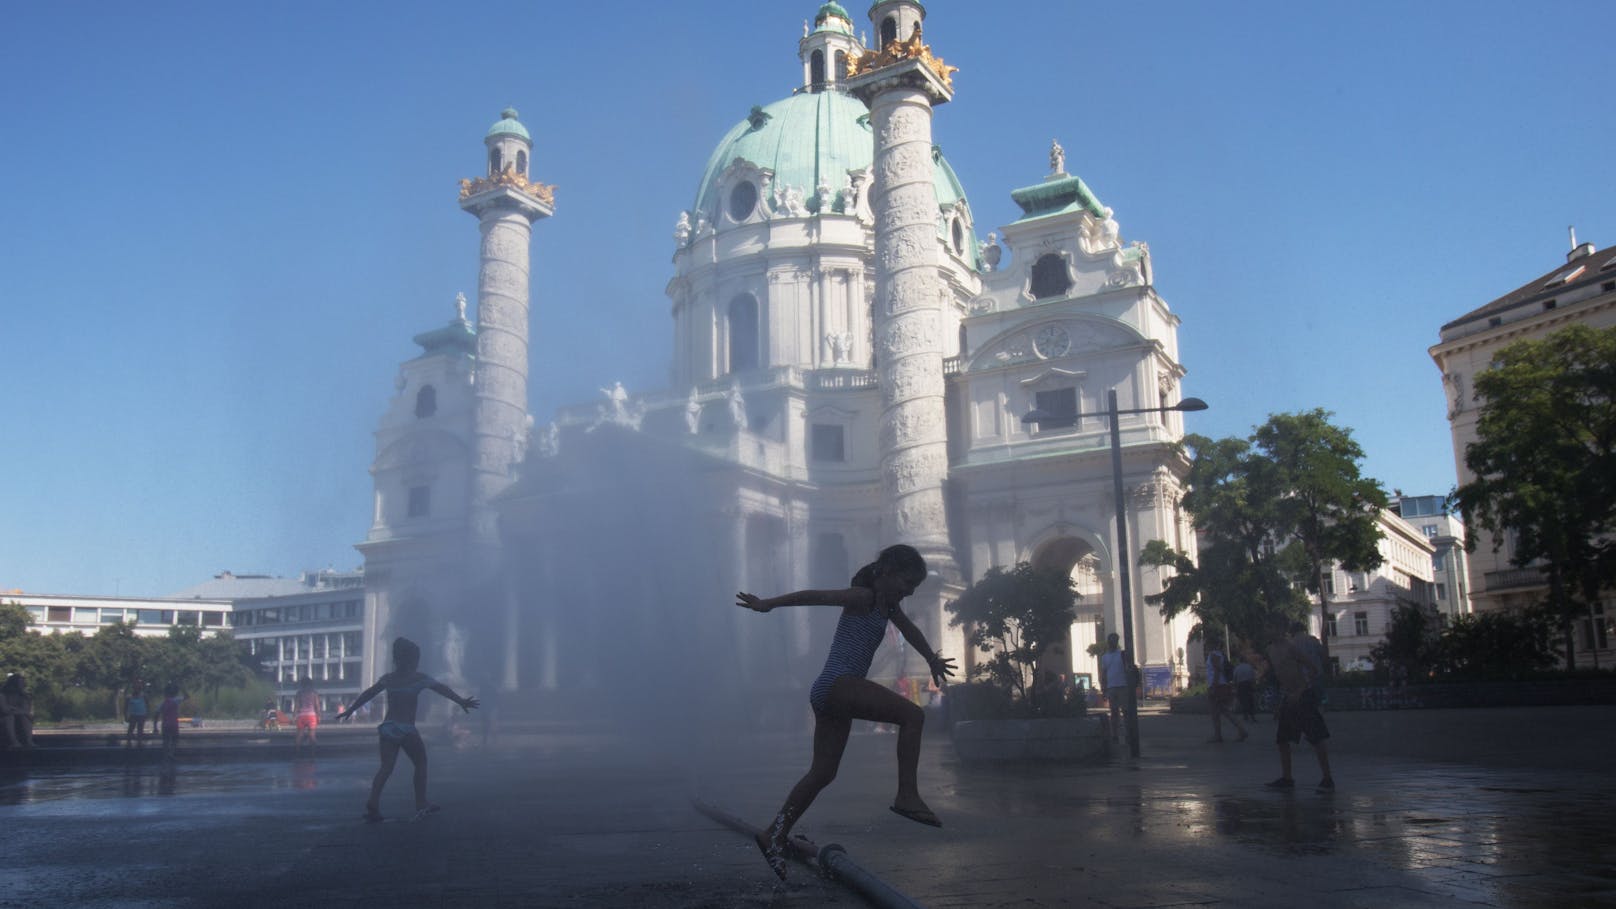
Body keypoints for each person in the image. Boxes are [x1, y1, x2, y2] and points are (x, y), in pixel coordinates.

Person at [736, 544, 956, 880]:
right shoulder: (862, 597)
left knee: (823, 774)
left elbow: (910, 630)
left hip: (829, 693)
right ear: (885, 572)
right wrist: (769, 603)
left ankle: (774, 834)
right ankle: (907, 795)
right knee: (914, 716)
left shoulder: (888, 606)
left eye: (913, 587)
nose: (909, 591)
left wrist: (930, 658)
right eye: (906, 582)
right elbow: (814, 596)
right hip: (840, 684)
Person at [334, 637, 479, 822]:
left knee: (386, 767)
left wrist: (351, 710)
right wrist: (461, 701)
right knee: (421, 762)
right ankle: (421, 802)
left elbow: (369, 693)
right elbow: (442, 689)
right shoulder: (418, 678)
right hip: (406, 728)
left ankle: (373, 801)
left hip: (388, 727)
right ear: (413, 660)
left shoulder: (388, 679)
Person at [1264, 619, 1334, 792]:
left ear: (1281, 629)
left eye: (1271, 627)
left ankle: (1327, 778)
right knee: (1282, 740)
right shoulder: (1270, 650)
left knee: (1316, 738)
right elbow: (1281, 677)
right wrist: (1281, 702)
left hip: (1303, 696)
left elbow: (1313, 669)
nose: (1269, 631)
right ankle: (1287, 778)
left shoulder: (1290, 647)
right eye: (1268, 628)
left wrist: (1301, 689)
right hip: (1289, 698)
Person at [1204, 649, 1247, 743]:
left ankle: (1218, 735)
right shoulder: (1220, 654)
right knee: (1224, 710)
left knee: (1215, 712)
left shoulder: (1214, 654)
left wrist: (1213, 687)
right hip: (1221, 685)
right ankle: (1241, 730)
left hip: (1217, 686)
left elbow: (1217, 671)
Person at [1098, 633, 1128, 745]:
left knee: (1125, 712)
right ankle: (1114, 735)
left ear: (1117, 641)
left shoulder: (1122, 654)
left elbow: (1127, 668)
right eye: (1111, 640)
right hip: (1111, 687)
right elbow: (1104, 673)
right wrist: (1104, 688)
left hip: (1123, 686)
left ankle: (1127, 734)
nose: (1112, 642)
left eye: (1114, 640)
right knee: (1114, 712)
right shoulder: (1105, 657)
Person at [1, 674, 36, 749]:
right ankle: (14, 742)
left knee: (24, 717)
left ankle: (29, 741)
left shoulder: (24, 696)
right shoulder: (2, 695)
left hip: (18, 721)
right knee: (9, 717)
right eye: (20, 683)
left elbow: (26, 710)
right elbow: (4, 710)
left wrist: (13, 709)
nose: (22, 685)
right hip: (4, 721)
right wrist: (18, 711)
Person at [158, 683, 187, 759]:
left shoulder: (162, 703)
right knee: (175, 739)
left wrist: (155, 727)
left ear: (166, 693)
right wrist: (182, 688)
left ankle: (165, 755)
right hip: (174, 724)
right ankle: (171, 753)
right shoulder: (176, 700)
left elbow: (156, 715)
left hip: (165, 725)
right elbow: (187, 696)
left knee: (166, 740)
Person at [294, 677, 321, 752]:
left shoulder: (299, 693)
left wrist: (294, 716)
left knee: (299, 736)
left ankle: (297, 754)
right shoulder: (314, 693)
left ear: (302, 684)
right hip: (311, 716)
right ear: (311, 684)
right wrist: (319, 716)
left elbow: (296, 706)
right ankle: (313, 754)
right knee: (312, 736)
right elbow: (317, 706)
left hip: (301, 715)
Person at [1232, 654, 1258, 723]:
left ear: (1240, 661)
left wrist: (1235, 687)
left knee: (1243, 701)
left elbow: (1234, 678)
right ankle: (1252, 716)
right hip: (1249, 685)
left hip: (1241, 686)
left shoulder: (1237, 668)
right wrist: (1254, 685)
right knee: (1250, 700)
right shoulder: (1249, 667)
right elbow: (1253, 677)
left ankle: (1245, 715)